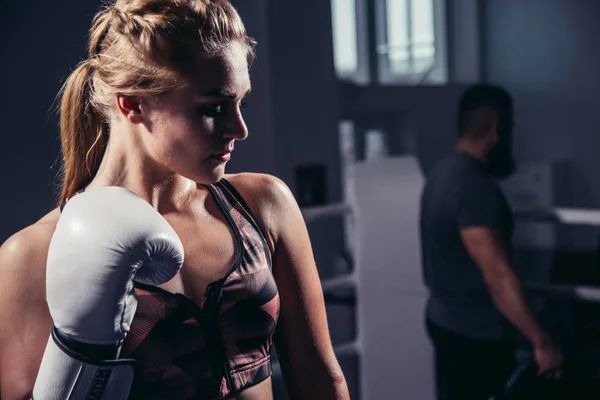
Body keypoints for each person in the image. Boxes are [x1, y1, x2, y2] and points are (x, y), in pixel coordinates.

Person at [0, 1, 350, 399]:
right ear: (131, 102)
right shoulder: (31, 257)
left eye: (242, 102)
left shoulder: (263, 205)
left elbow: (321, 379)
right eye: (214, 108)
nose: (239, 129)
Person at [419, 84, 563, 400]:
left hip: (444, 322)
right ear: (497, 129)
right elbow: (498, 278)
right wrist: (542, 342)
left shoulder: (440, 174)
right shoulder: (473, 188)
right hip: (475, 337)